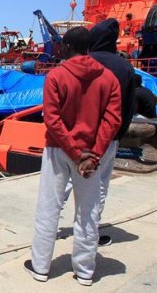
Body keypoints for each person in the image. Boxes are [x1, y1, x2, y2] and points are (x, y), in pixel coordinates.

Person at [24, 27, 121, 286]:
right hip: (91, 155)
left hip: (58, 150)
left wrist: (74, 153)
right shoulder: (109, 79)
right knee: (89, 213)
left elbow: (52, 120)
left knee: (49, 209)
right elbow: (112, 121)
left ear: (66, 47)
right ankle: (85, 272)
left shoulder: (56, 76)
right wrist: (93, 155)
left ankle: (41, 267)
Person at [62, 18, 136, 247]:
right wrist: (116, 136)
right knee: (98, 189)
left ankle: (48, 229)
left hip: (75, 136)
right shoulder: (125, 67)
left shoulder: (81, 62)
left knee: (61, 186)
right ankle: (89, 233)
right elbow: (126, 108)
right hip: (108, 139)